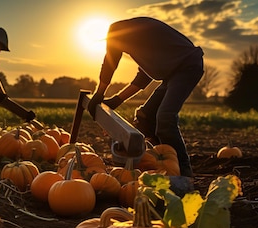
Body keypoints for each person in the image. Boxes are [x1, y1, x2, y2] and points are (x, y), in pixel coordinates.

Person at [87, 17, 204, 178]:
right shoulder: (140, 40)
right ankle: (161, 162)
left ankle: (183, 173)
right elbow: (144, 77)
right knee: (145, 117)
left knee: (165, 117)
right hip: (172, 74)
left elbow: (110, 62)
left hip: (187, 67)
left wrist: (99, 93)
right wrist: (117, 100)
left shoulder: (119, 32)